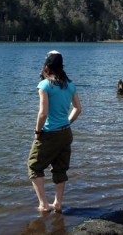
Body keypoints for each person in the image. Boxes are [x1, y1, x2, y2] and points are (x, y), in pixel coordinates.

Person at [27, 50, 82, 213]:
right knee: (60, 168)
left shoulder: (44, 85)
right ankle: (57, 203)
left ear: (47, 66)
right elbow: (78, 109)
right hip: (66, 133)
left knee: (34, 166)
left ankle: (44, 204)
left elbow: (43, 113)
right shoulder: (70, 85)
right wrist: (67, 122)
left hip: (50, 134)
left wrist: (37, 132)